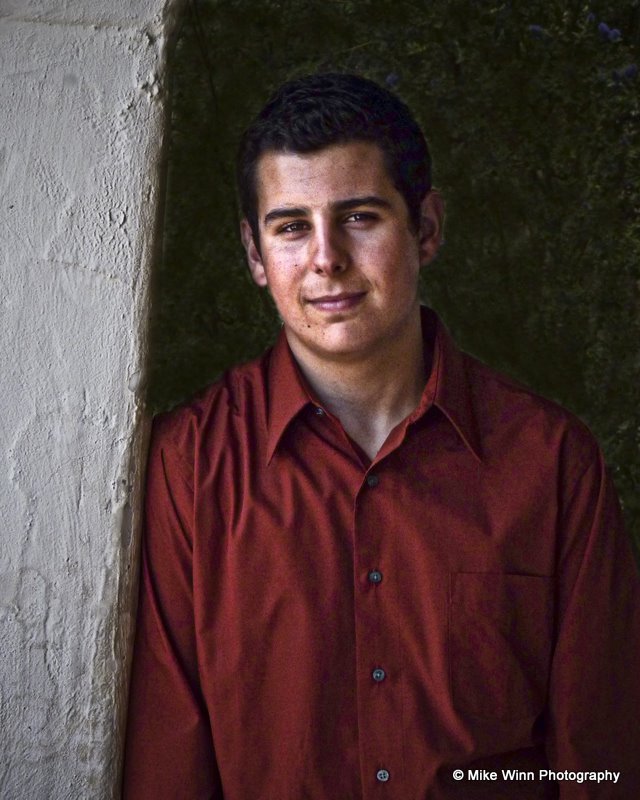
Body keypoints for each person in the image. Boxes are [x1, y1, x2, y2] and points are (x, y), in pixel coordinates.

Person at [122, 73, 640, 799]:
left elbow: (597, 765)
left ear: (425, 228)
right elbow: (168, 769)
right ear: (254, 254)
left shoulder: (552, 463)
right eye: (291, 227)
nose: (326, 257)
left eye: (360, 217)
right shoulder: (190, 468)